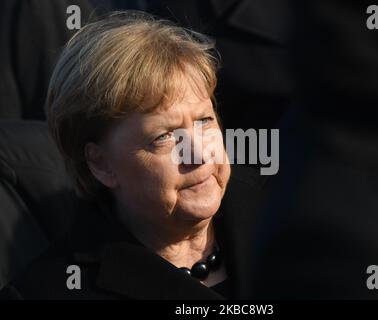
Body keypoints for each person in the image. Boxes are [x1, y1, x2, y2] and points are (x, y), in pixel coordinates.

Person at [1, 11, 264, 300]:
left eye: (204, 121)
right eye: (164, 137)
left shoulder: (286, 211)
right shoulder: (45, 294)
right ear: (101, 164)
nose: (199, 154)